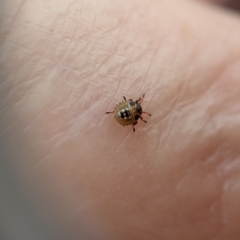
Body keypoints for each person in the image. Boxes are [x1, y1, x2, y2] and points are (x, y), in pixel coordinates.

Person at [1, 0, 240, 239]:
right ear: (133, 106)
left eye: (134, 108)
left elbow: (130, 114)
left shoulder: (132, 111)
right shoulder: (133, 114)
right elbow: (131, 116)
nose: (134, 109)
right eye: (135, 107)